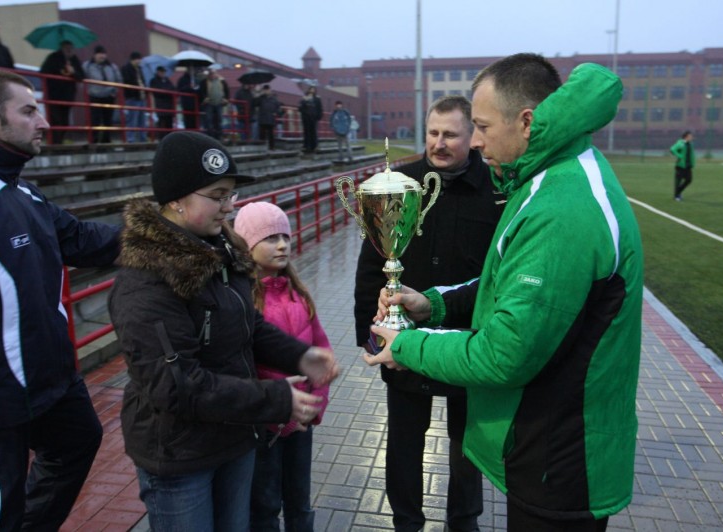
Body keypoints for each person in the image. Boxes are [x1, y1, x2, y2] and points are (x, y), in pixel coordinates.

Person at [367, 54, 643, 532]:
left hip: (560, 456)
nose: (475, 141)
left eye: (481, 126)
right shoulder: (552, 178)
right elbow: (508, 286)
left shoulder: (560, 208)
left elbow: (505, 354)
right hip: (552, 443)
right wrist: (433, 304)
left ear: (527, 122)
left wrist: (408, 345)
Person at [107, 130, 339, 531]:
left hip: (233, 438)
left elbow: (247, 324)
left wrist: (299, 355)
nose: (229, 207)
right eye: (217, 196)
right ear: (176, 200)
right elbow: (177, 384)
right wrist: (275, 398)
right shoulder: (146, 280)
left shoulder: (221, 251)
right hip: (181, 455)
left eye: (230, 195)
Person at [0, 69, 120, 530]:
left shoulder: (22, 190)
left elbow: (83, 239)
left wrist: (165, 234)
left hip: (51, 382)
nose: (44, 122)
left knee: (78, 440)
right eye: (29, 111)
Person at [354, 95, 503, 532]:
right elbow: (372, 265)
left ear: (472, 136)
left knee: (465, 445)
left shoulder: (496, 192)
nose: (439, 143)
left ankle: (464, 521)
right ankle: (406, 522)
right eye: (433, 133)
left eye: (450, 134)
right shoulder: (400, 184)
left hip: (465, 342)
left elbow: (498, 276)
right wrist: (371, 335)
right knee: (403, 441)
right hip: (405, 339)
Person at [235, 202, 331, 532]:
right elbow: (246, 368)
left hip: (301, 424)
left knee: (299, 500)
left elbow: (321, 350)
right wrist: (276, 410)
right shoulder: (244, 301)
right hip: (265, 428)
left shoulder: (297, 294)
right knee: (264, 504)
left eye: (285, 237)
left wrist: (313, 406)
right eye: (270, 238)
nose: (282, 245)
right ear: (247, 247)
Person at [40, 39, 85, 144]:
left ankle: (59, 142)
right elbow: (43, 71)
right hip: (54, 95)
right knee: (56, 121)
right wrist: (59, 72)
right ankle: (55, 144)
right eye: (66, 48)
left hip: (67, 96)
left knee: (65, 122)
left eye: (71, 48)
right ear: (62, 48)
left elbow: (82, 76)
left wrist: (73, 72)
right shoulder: (53, 58)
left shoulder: (74, 60)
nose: (69, 50)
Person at [83, 45, 121, 143]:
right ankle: (94, 141)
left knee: (108, 120)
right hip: (94, 96)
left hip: (109, 96)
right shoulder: (87, 65)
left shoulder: (112, 66)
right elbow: (81, 78)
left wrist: (114, 92)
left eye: (104, 54)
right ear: (95, 55)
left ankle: (106, 141)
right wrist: (88, 91)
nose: (102, 56)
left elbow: (119, 80)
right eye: (100, 54)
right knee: (95, 120)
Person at [120, 51, 148, 143]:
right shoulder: (126, 68)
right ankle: (130, 139)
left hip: (141, 97)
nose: (139, 61)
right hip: (132, 97)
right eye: (137, 59)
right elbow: (127, 81)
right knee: (132, 119)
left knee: (142, 120)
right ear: (133, 59)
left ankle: (142, 138)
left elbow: (142, 80)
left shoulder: (139, 69)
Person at [200, 68, 230, 140]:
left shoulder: (222, 81)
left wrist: (226, 99)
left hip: (219, 102)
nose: (212, 75)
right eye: (211, 74)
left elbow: (227, 91)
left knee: (219, 120)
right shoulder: (204, 82)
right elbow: (201, 91)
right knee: (208, 120)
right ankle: (210, 135)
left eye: (213, 73)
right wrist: (204, 98)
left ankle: (218, 135)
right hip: (209, 103)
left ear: (216, 74)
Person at [149, 65, 176, 139]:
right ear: (158, 72)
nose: (163, 73)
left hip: (169, 106)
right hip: (160, 105)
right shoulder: (154, 81)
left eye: (164, 72)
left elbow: (173, 89)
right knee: (161, 123)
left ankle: (169, 138)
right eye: (162, 72)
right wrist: (167, 92)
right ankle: (161, 138)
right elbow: (157, 92)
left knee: (169, 124)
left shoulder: (167, 80)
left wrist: (167, 92)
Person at [670, 130, 695, 201]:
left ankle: (678, 192)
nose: (692, 137)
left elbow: (691, 154)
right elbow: (672, 149)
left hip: (688, 165)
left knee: (689, 180)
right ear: (686, 137)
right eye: (690, 136)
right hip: (680, 166)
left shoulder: (690, 144)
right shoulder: (680, 143)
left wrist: (692, 163)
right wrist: (679, 156)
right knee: (678, 181)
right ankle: (676, 196)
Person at [256, 84, 282, 151]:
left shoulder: (274, 99)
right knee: (262, 134)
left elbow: (278, 108)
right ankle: (261, 148)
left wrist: (276, 113)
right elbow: (254, 103)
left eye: (267, 90)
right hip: (263, 118)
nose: (266, 91)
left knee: (271, 134)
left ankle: (272, 147)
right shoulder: (261, 98)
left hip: (271, 119)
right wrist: (258, 93)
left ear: (270, 90)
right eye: (265, 90)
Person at [298, 86, 322, 155]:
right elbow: (300, 108)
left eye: (313, 90)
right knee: (306, 132)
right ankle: (306, 146)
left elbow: (320, 108)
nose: (312, 91)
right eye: (311, 90)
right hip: (306, 118)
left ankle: (314, 146)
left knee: (314, 132)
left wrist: (318, 116)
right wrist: (304, 101)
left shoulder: (317, 99)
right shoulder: (304, 98)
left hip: (313, 118)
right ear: (308, 90)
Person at [177, 66, 201, 130]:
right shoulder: (182, 79)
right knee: (188, 122)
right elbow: (179, 89)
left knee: (196, 123)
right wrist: (189, 87)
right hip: (186, 104)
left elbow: (199, 90)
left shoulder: (196, 80)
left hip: (195, 104)